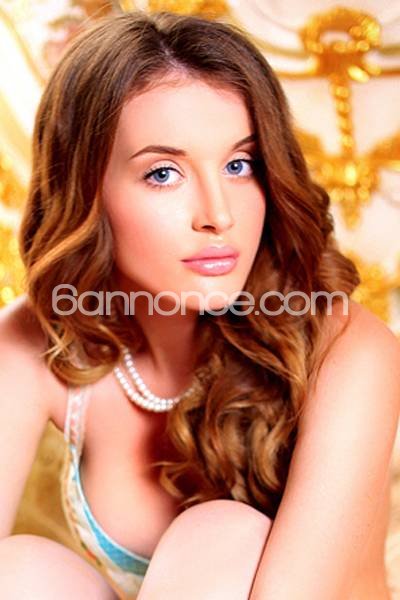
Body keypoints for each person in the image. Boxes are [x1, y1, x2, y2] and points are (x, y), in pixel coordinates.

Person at [0, 9, 399, 600]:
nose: (219, 214)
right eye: (164, 173)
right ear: (87, 190)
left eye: (240, 165)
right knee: (21, 572)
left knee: (218, 535)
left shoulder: (347, 350)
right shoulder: (36, 339)